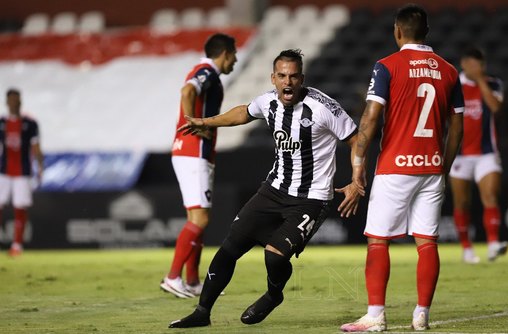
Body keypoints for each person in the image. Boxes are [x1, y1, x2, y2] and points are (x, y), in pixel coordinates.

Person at [168, 49, 363, 328]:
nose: (288, 82)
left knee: (273, 255)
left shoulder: (322, 107)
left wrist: (357, 181)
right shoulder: (268, 102)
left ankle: (273, 295)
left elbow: (356, 139)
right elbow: (243, 113)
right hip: (273, 190)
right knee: (230, 247)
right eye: (282, 76)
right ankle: (202, 313)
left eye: (294, 76)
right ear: (273, 78)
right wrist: (206, 122)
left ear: (302, 78)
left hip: (311, 199)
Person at [339, 4, 464, 332]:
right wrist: (443, 168)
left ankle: (376, 316)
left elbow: (371, 117)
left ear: (397, 31)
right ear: (427, 31)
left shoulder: (387, 66)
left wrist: (358, 164)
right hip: (432, 167)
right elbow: (458, 126)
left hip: (396, 166)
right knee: (427, 241)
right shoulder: (449, 71)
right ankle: (421, 314)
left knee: (379, 240)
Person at [160, 33, 238, 298]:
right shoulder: (206, 71)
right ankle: (172, 277)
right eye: (234, 55)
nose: (235, 61)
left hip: (191, 152)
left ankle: (192, 281)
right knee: (201, 218)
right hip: (194, 151)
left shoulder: (204, 71)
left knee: (197, 219)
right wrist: (193, 121)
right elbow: (187, 91)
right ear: (225, 53)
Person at [449, 46, 508, 264]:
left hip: (486, 153)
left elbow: (495, 107)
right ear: (464, 64)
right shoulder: (454, 86)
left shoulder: (493, 83)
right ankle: (466, 248)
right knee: (461, 203)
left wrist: (480, 80)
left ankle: (493, 244)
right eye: (474, 64)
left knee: (490, 195)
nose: (479, 68)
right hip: (460, 155)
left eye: (481, 64)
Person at [0, 88, 44, 257]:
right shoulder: (2, 123)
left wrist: (40, 167)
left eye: (16, 99)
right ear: (6, 102)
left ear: (20, 101)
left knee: (20, 206)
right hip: (3, 171)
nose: (14, 103)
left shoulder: (30, 124)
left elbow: (36, 147)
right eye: (11, 99)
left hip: (22, 172)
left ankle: (17, 245)